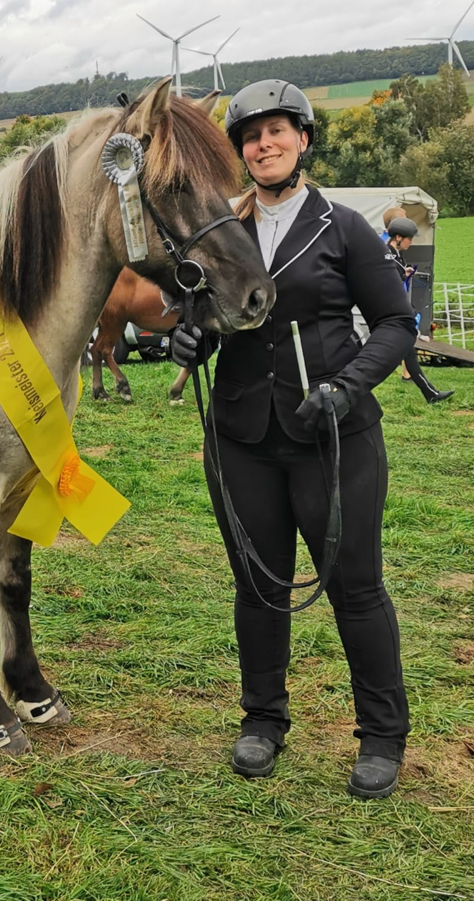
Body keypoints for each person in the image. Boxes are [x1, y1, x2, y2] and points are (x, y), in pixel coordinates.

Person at [171, 80, 414, 799]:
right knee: (258, 585)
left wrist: (348, 385)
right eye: (251, 136)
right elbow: (205, 315)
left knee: (356, 588)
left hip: (333, 436)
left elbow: (396, 323)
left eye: (277, 131)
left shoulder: (344, 228)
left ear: (303, 140)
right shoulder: (224, 231)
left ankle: (382, 734)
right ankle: (263, 718)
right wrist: (190, 338)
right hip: (243, 436)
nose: (264, 144)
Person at [384, 216, 453, 403]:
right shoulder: (387, 255)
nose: (411, 243)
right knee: (386, 356)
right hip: (390, 314)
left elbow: (396, 277)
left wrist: (404, 274)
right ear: (399, 237)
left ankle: (431, 394)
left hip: (398, 311)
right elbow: (387, 283)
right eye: (409, 239)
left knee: (408, 352)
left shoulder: (397, 255)